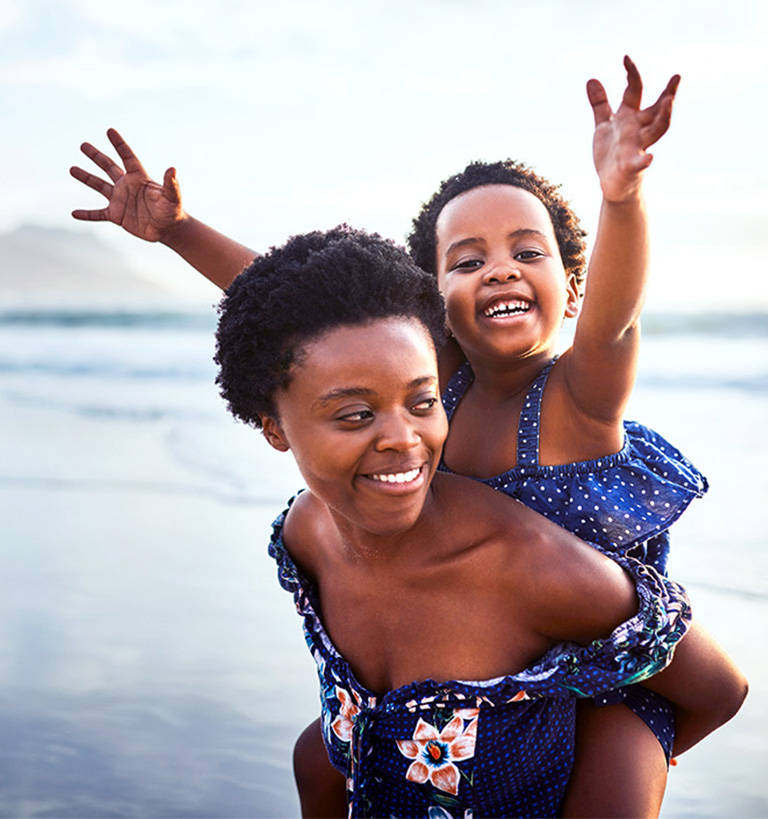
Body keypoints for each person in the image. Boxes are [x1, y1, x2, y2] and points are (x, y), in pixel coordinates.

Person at [68, 58, 728, 816]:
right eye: (469, 259)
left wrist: (624, 196)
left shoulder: (577, 397)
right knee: (320, 762)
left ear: (572, 284)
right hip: (478, 654)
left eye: (528, 251)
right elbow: (308, 318)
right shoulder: (432, 382)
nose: (501, 271)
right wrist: (179, 231)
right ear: (429, 300)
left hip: (608, 666)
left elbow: (615, 318)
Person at [211, 224, 743, 818]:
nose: (403, 439)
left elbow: (718, 691)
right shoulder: (306, 538)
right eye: (357, 414)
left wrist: (621, 749)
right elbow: (296, 322)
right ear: (274, 427)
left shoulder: (532, 565)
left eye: (423, 402)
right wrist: (179, 232)